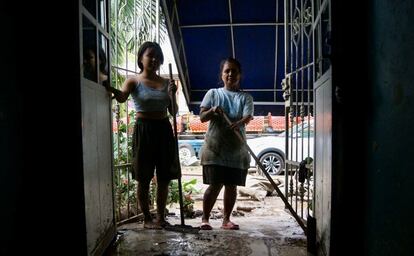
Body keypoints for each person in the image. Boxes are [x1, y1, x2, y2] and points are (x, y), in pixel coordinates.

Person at [105, 41, 179, 229]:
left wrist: (173, 94)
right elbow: (121, 98)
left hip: (163, 129)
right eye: (150, 55)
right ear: (141, 58)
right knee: (144, 177)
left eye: (157, 56)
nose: (154, 59)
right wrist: (107, 87)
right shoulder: (133, 81)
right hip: (143, 129)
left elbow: (174, 112)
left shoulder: (166, 83)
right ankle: (147, 219)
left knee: (164, 177)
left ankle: (161, 217)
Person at [199, 57, 254, 230]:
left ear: (240, 75)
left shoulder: (246, 97)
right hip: (215, 148)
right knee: (215, 185)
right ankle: (205, 219)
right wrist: (213, 110)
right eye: (227, 71)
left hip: (236, 149)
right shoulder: (213, 94)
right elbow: (202, 117)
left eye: (234, 71)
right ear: (222, 74)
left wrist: (238, 123)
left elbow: (247, 117)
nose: (230, 74)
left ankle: (226, 220)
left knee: (231, 186)